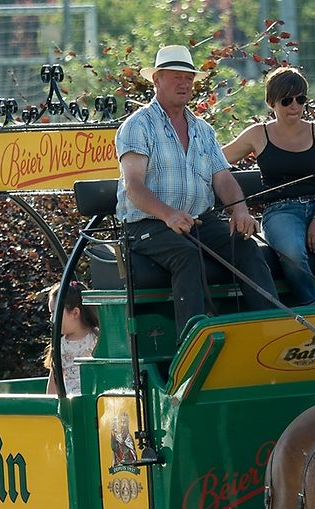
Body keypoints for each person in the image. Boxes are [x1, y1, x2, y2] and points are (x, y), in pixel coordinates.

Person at [116, 44, 278, 332]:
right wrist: (168, 215)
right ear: (157, 79)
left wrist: (239, 210)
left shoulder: (203, 129)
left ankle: (268, 331)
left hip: (199, 221)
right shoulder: (137, 126)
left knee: (247, 247)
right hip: (148, 225)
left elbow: (223, 178)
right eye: (176, 76)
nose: (184, 83)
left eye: (188, 78)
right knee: (187, 256)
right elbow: (133, 186)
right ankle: (192, 343)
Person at [223, 66, 315, 306]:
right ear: (272, 103)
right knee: (292, 255)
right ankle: (313, 309)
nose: (295, 106)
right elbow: (217, 158)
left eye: (301, 99)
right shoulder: (258, 134)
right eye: (287, 100)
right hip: (279, 211)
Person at [44, 280, 99, 396]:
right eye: (51, 313)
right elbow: (54, 382)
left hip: (95, 401)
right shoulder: (60, 345)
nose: (51, 319)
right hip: (71, 407)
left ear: (75, 313)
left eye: (55, 313)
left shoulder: (96, 338)